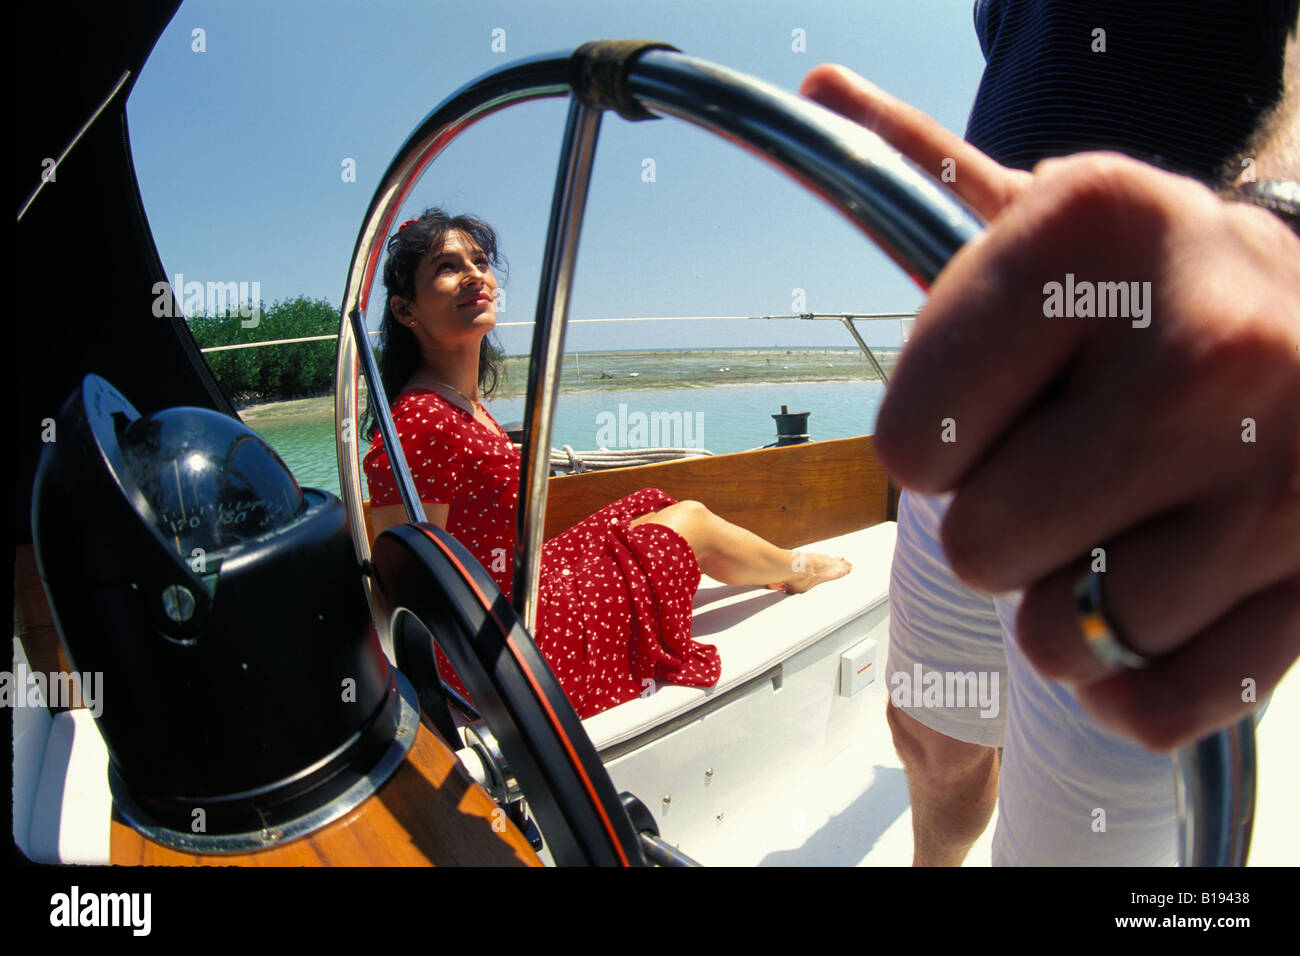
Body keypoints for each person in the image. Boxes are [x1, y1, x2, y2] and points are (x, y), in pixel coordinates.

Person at [802, 0, 1299, 865]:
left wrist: (1282, 232)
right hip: (974, 364)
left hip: (1159, 407)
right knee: (933, 731)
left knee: (1084, 845)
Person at [362, 208, 852, 719]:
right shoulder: (421, 422)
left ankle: (780, 566)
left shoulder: (455, 403)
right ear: (405, 311)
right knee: (690, 524)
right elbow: (408, 591)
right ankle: (795, 571)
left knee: (651, 507)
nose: (473, 275)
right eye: (446, 267)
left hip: (509, 596)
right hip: (502, 650)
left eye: (480, 261)